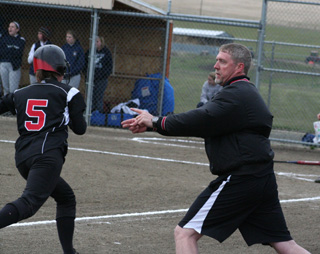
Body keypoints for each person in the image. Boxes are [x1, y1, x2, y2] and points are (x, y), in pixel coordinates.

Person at [122, 43, 310, 254]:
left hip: (242, 178)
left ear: (239, 67)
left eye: (222, 61)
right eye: (217, 60)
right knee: (284, 243)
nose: (216, 66)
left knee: (185, 233)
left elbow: (201, 118)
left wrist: (156, 121)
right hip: (260, 177)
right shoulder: (240, 93)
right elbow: (207, 125)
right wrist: (152, 125)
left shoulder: (236, 94)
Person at [0, 44, 86, 254]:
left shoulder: (21, 92)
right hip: (47, 157)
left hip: (23, 158)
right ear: (61, 68)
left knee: (66, 197)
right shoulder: (69, 92)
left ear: (37, 69)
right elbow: (80, 128)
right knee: (29, 203)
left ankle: (69, 252)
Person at [84, 35, 113, 113]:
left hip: (101, 79)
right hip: (90, 79)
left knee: (98, 97)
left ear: (101, 42)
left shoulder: (106, 52)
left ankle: (98, 114)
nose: (95, 43)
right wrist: (87, 75)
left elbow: (109, 67)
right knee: (90, 97)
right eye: (94, 42)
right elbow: (85, 64)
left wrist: (102, 75)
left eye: (97, 41)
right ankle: (89, 113)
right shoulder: (89, 51)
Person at [0, 21, 25, 95]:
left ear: (17, 29)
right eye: (9, 26)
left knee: (13, 89)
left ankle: (13, 105)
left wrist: (8, 49)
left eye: (12, 27)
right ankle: (5, 104)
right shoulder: (4, 38)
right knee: (5, 87)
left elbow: (18, 52)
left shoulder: (21, 39)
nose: (10, 28)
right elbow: (2, 51)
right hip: (3, 63)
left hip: (14, 65)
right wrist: (12, 48)